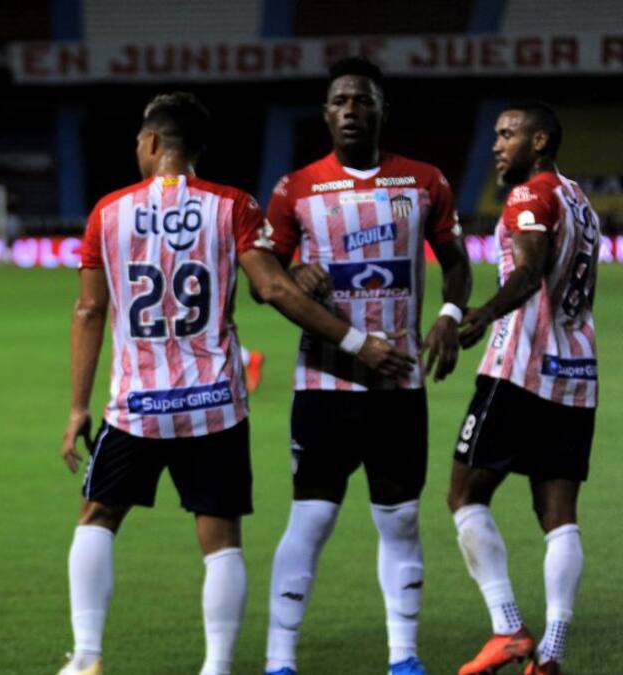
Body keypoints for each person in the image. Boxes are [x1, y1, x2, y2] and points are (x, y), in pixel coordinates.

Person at [58, 91, 414, 675]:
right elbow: (275, 289)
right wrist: (355, 343)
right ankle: (217, 667)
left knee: (98, 517)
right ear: (196, 149)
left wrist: (77, 406)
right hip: (215, 404)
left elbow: (88, 313)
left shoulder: (108, 212)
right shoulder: (234, 207)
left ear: (151, 143)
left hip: (136, 405)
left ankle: (88, 658)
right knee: (220, 538)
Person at [257, 57, 472, 675]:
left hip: (399, 382)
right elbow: (263, 280)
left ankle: (403, 657)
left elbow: (455, 260)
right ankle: (279, 660)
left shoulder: (423, 181)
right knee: (313, 517)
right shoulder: (295, 188)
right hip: (325, 382)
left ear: (382, 110)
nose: (351, 110)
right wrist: (295, 270)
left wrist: (452, 314)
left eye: (363, 100)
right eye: (340, 101)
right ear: (325, 114)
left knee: (401, 519)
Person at [447, 102, 599, 675]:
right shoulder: (581, 201)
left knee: (464, 495)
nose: (496, 145)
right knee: (558, 516)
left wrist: (483, 313)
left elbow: (530, 272)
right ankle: (551, 655)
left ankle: (508, 627)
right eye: (494, 135)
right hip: (577, 375)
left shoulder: (528, 196)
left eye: (508, 135)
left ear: (539, 141)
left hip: (521, 369)